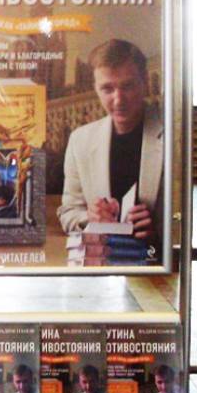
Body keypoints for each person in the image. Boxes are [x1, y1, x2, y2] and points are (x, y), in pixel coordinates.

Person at [57, 39, 163, 244]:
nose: (119, 99)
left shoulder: (173, 135)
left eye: (127, 86)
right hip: (103, 257)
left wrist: (159, 231)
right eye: (107, 89)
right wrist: (90, 218)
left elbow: (189, 215)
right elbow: (68, 213)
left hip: (156, 260)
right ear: (96, 89)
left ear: (145, 82)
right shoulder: (80, 141)